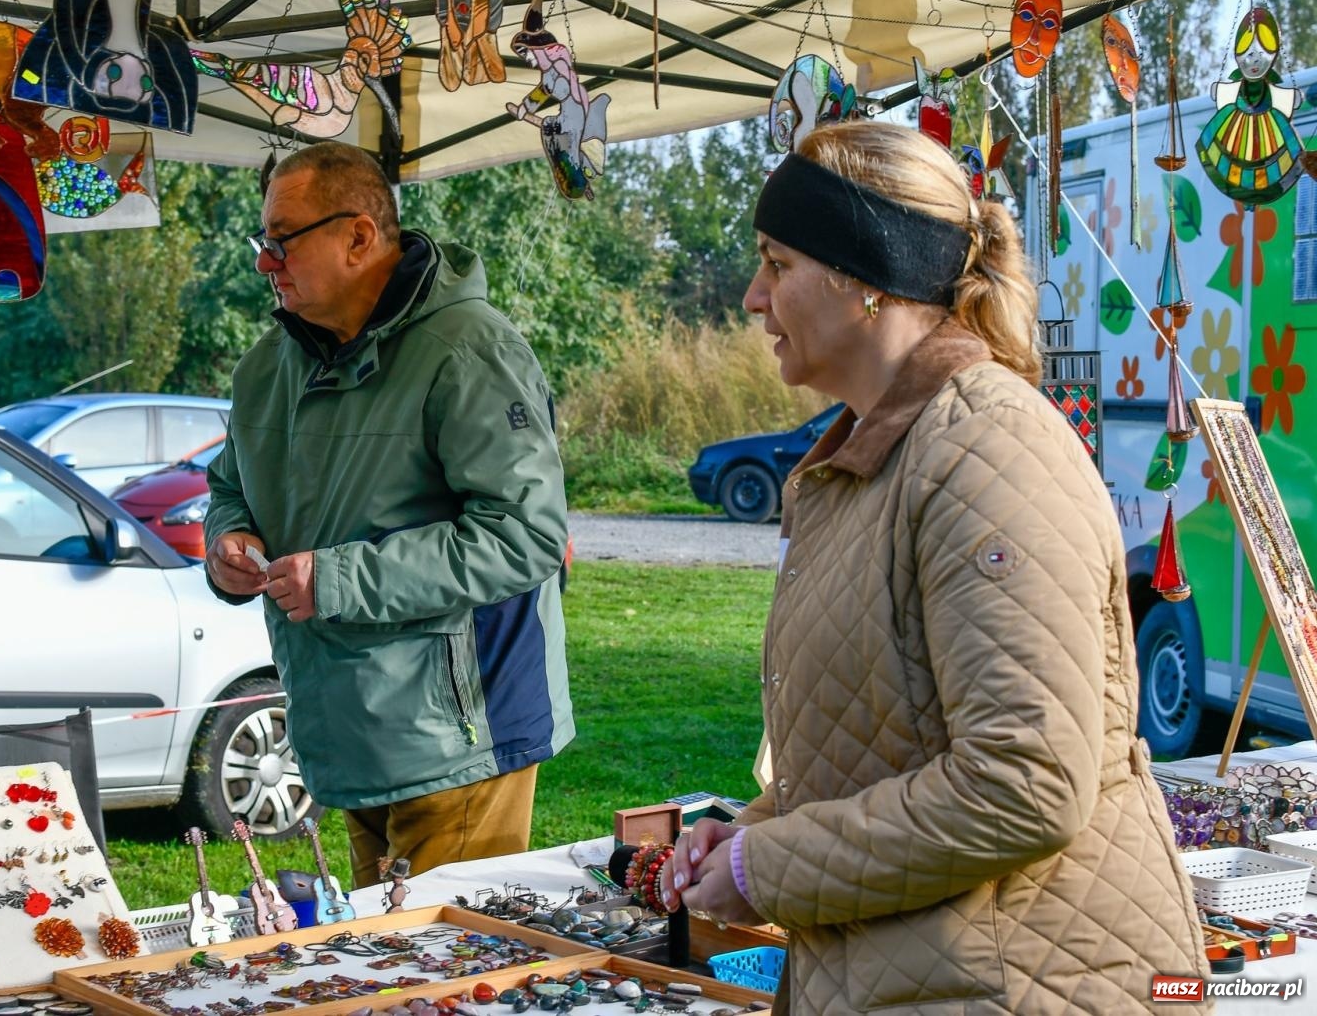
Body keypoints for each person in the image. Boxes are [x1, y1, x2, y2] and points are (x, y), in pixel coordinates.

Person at [663, 121, 1211, 1013]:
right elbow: (888, 742)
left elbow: (1023, 785)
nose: (754, 297)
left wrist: (768, 868)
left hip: (1017, 984)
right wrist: (750, 831)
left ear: (860, 276)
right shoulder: (874, 459)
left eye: (777, 263)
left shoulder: (989, 452)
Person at [203, 141, 573, 887]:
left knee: (446, 976)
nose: (262, 263)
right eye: (262, 242)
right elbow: (228, 489)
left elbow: (526, 535)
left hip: (462, 738)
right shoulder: (265, 369)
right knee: (383, 976)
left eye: (281, 241)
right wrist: (226, 542)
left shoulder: (468, 351)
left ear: (360, 238)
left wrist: (336, 580)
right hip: (346, 731)